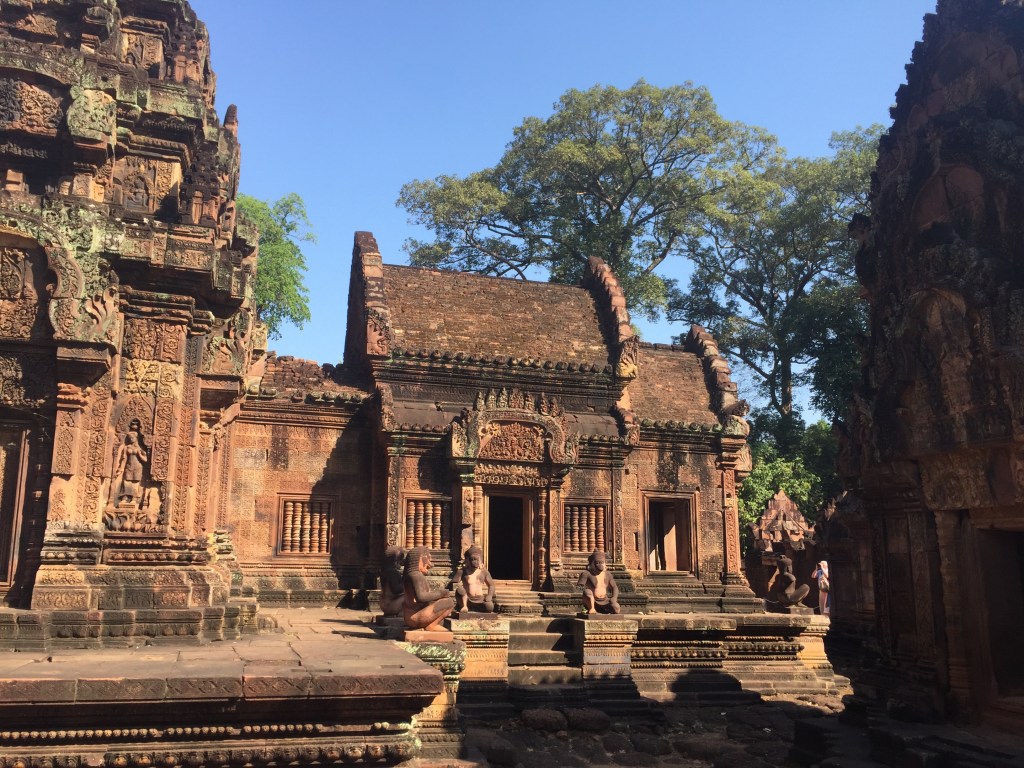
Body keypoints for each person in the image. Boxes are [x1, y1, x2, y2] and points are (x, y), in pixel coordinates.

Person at [402, 547, 454, 630]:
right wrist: (441, 593)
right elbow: (421, 597)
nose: (429, 564)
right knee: (449, 602)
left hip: (410, 616)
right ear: (419, 559)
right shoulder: (416, 575)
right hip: (416, 616)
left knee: (441, 601)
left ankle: (431, 625)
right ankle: (432, 626)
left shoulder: (410, 575)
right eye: (427, 560)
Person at [454, 546, 495, 613]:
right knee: (460, 590)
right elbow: (453, 583)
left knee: (489, 607)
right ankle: (464, 606)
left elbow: (491, 585)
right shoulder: (462, 571)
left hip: (480, 600)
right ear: (467, 560)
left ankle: (476, 607)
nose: (475, 562)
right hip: (467, 599)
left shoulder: (484, 572)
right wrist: (459, 588)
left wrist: (490, 595)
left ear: (480, 560)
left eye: (476, 559)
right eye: (472, 559)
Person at [577, 550, 620, 615]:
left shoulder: (608, 574)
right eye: (597, 562)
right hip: (592, 601)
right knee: (587, 591)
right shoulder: (587, 573)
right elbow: (579, 587)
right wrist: (586, 591)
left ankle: (604, 610)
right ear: (592, 563)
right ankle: (591, 608)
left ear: (605, 563)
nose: (600, 565)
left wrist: (614, 597)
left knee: (616, 609)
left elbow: (614, 587)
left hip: (605, 600)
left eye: (602, 562)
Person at [379, 546, 405, 617]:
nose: (401, 563)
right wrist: (405, 583)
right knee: (412, 597)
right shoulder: (392, 572)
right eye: (400, 560)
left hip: (384, 604)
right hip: (391, 605)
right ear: (395, 560)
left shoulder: (384, 570)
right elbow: (396, 590)